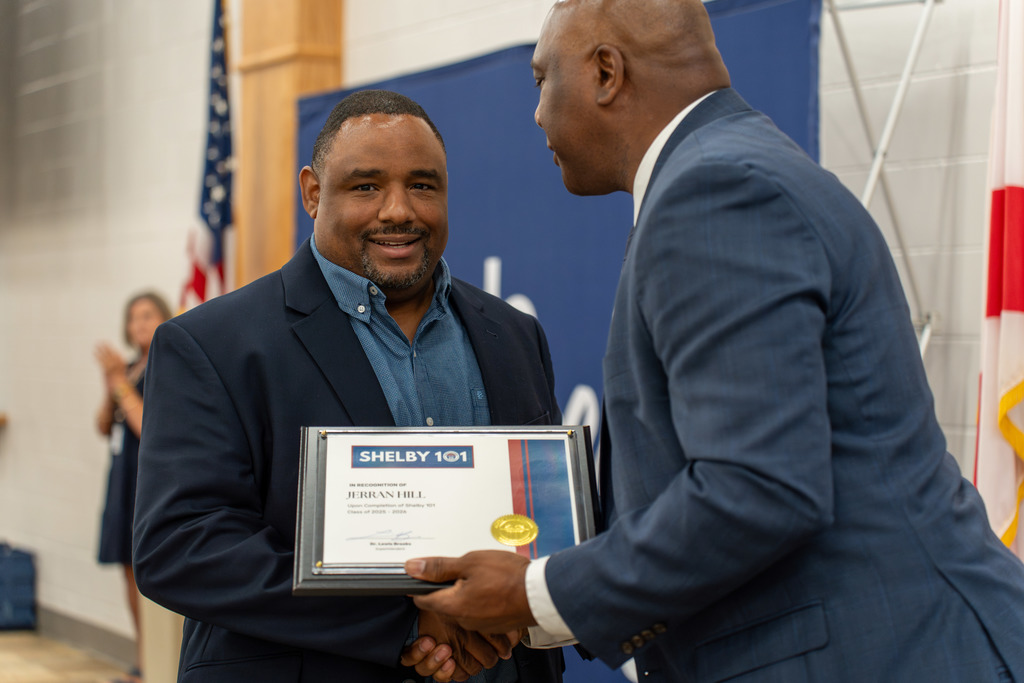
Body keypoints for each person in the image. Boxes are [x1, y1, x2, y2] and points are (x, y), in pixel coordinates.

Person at [406, 1, 1024, 681]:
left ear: (607, 72)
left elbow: (758, 488)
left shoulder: (711, 190)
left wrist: (531, 593)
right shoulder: (732, 166)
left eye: (541, 81)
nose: (537, 115)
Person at [132, 89, 564, 683]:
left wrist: (541, 607)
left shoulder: (514, 334)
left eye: (423, 185)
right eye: (365, 186)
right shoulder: (212, 345)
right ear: (313, 192)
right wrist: (406, 625)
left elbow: (544, 517)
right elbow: (183, 548)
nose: (398, 211)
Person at [95, 290, 173, 683]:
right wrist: (112, 384)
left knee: (144, 569)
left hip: (150, 480)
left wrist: (117, 385)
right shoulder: (128, 369)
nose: (139, 324)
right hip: (122, 478)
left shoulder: (167, 366)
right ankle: (143, 659)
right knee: (125, 567)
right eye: (133, 317)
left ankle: (156, 664)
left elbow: (147, 427)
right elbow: (103, 425)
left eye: (148, 316)